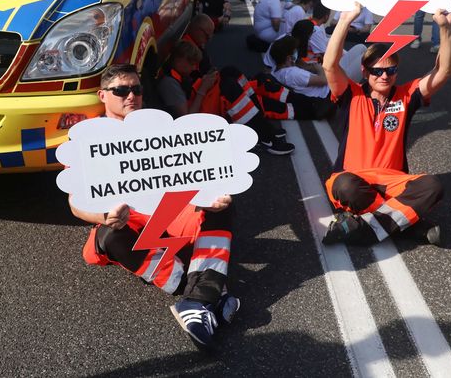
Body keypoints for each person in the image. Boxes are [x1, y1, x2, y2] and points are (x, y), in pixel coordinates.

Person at [70, 64, 240, 349]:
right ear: (102, 95)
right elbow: (74, 203)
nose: (131, 96)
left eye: (136, 89)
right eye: (121, 90)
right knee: (109, 235)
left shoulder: (162, 128)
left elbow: (195, 169)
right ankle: (207, 292)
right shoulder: (88, 140)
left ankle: (196, 302)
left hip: (170, 216)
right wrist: (104, 215)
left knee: (219, 206)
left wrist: (213, 193)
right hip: (129, 225)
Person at [320, 4, 451, 246]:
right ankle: (408, 225)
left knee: (432, 186)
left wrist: (445, 29)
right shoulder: (350, 94)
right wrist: (343, 21)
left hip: (394, 182)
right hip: (353, 180)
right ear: (364, 71)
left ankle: (361, 227)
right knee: (344, 185)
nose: (384, 76)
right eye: (377, 71)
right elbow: (330, 66)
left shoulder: (407, 94)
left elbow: (444, 71)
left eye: (391, 70)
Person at [157, 40, 294, 155]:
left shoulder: (180, 74)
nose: (194, 68)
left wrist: (207, 80)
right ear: (180, 60)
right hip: (197, 122)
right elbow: (186, 120)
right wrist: (203, 88)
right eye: (192, 64)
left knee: (230, 71)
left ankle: (262, 124)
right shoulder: (169, 84)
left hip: (201, 105)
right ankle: (266, 137)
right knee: (230, 88)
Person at [264, 34, 335, 120]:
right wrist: (319, 69)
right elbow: (324, 80)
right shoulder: (292, 73)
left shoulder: (276, 70)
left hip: (324, 90)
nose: (296, 52)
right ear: (289, 57)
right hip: (329, 93)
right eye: (294, 50)